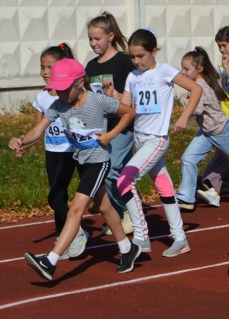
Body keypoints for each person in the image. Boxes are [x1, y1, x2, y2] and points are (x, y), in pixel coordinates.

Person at [12, 58, 140, 280]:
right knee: (104, 206)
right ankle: (128, 249)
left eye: (64, 89)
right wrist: (21, 141)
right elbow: (38, 130)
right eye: (57, 89)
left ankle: (50, 261)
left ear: (80, 82)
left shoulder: (98, 102)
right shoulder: (59, 105)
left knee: (75, 210)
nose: (60, 94)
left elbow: (129, 112)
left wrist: (111, 134)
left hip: (99, 160)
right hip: (81, 159)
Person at [116, 29, 201, 257]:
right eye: (132, 57)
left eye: (141, 56)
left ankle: (142, 238)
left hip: (156, 139)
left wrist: (183, 117)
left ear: (154, 51)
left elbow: (196, 89)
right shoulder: (133, 76)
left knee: (124, 182)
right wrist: (109, 99)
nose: (136, 61)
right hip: (140, 139)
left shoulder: (165, 71)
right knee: (164, 187)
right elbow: (125, 107)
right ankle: (180, 238)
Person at [85, 12, 138, 235]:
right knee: (120, 173)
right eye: (90, 39)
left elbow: (136, 91)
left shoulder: (125, 62)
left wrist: (117, 96)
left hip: (123, 125)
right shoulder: (90, 66)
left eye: (98, 39)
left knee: (111, 171)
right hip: (102, 128)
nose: (93, 43)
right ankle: (130, 213)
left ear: (110, 36)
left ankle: (127, 214)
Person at [30, 44, 83, 257]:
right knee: (57, 196)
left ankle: (76, 232)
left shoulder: (69, 94)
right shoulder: (42, 97)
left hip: (71, 149)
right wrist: (24, 145)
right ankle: (64, 234)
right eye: (42, 67)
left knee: (62, 197)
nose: (44, 72)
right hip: (52, 150)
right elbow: (37, 129)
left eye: (49, 67)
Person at [191, 26, 229, 208]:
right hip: (224, 114)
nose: (222, 50)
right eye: (219, 47)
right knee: (226, 153)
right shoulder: (228, 62)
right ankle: (213, 189)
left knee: (228, 154)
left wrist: (226, 68)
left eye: (224, 46)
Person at [174, 47, 229, 209]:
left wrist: (183, 100)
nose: (183, 72)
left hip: (221, 131)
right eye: (182, 68)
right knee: (188, 159)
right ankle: (186, 197)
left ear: (199, 69)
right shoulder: (197, 84)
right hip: (207, 132)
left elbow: (197, 110)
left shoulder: (200, 86)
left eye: (186, 69)